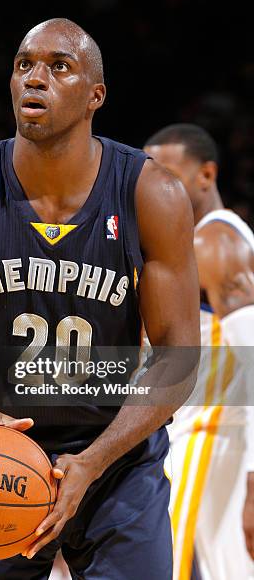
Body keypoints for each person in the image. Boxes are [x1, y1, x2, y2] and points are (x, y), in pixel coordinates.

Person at [0, 18, 200, 579]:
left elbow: (178, 356)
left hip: (115, 462)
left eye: (58, 67)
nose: (34, 79)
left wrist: (91, 463)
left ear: (96, 96)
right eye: (24, 66)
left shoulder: (151, 194)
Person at [144, 124, 254, 580]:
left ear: (206, 176)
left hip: (213, 439)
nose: (156, 187)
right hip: (197, 438)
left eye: (168, 174)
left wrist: (253, 475)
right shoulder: (189, 243)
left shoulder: (215, 243)